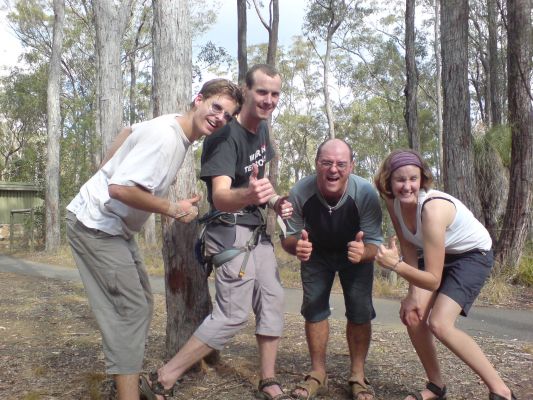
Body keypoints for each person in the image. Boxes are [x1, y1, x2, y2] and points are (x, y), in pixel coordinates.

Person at [66, 78, 243, 400]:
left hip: (114, 227)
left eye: (228, 116)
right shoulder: (167, 138)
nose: (220, 118)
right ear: (198, 99)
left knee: (140, 306)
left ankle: (128, 388)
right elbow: (119, 189)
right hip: (96, 225)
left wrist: (106, 170)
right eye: (216, 107)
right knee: (131, 310)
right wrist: (173, 209)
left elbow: (128, 132)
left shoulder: (172, 127)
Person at [138, 64, 293, 400]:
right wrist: (251, 196)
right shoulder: (224, 136)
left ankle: (268, 380)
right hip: (230, 230)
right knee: (234, 314)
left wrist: (276, 200)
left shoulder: (263, 131)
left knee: (272, 299)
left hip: (256, 230)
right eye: (262, 92)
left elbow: (257, 184)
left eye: (275, 94)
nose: (268, 100)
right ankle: (162, 378)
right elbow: (222, 197)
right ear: (246, 91)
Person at [374, 149, 516, 400]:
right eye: (400, 180)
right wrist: (412, 295)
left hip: (472, 255)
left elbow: (433, 279)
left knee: (439, 323)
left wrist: (396, 266)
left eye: (413, 179)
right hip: (438, 253)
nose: (407, 186)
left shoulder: (432, 209)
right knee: (413, 315)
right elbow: (408, 246)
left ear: (422, 179)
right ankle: (436, 386)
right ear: (388, 181)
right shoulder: (392, 201)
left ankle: (501, 391)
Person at [280, 138, 383, 400]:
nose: (333, 170)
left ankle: (357, 376)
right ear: (317, 164)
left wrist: (364, 253)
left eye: (340, 164)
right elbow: (289, 238)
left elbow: (373, 244)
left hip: (355, 253)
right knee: (314, 308)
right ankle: (318, 373)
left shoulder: (366, 194)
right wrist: (297, 248)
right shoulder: (300, 192)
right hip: (315, 252)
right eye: (326, 163)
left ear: (351, 166)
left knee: (360, 311)